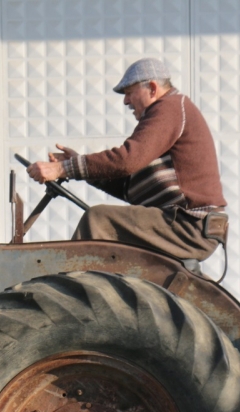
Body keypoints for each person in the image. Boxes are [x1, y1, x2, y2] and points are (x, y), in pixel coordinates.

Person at [26, 58, 226, 261]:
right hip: (185, 224)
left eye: (130, 93)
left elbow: (127, 161)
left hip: (189, 225)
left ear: (153, 88)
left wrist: (62, 169)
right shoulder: (169, 112)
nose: (126, 101)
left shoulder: (170, 108)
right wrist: (78, 166)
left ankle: (69, 289)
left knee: (98, 220)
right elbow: (127, 184)